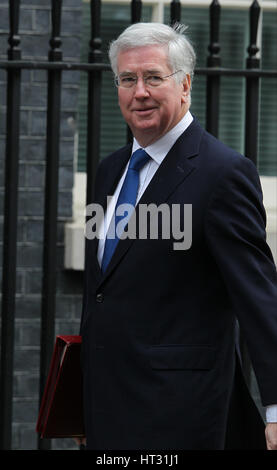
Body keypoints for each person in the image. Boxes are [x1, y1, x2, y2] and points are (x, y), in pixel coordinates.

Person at [80, 22, 277, 450]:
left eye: (154, 77)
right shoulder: (108, 172)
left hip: (181, 416)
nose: (140, 92)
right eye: (128, 80)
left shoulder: (223, 174)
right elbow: (100, 290)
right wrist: (83, 401)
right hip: (107, 409)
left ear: (185, 84)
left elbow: (259, 298)